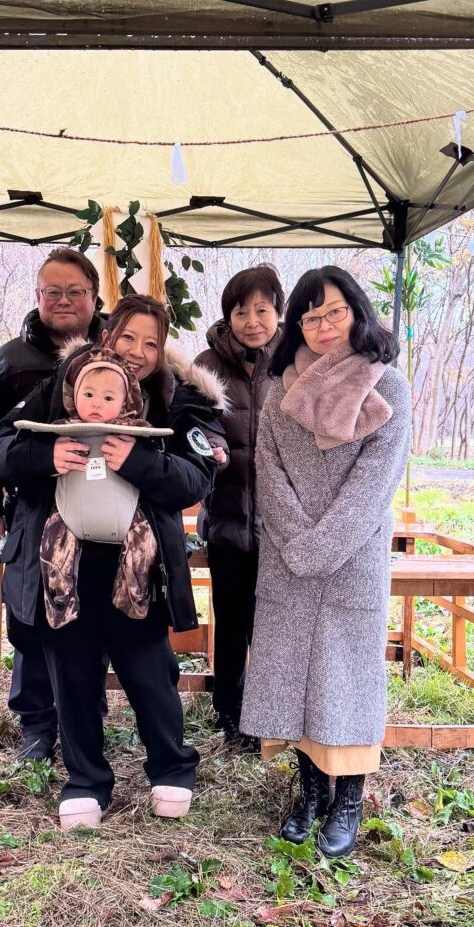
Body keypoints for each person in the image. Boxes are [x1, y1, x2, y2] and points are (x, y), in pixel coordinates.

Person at [0, 294, 226, 830]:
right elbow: (1, 447)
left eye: (151, 343)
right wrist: (43, 457)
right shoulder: (64, 384)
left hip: (139, 570)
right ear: (106, 336)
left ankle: (171, 768)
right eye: (127, 337)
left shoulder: (177, 399)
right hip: (63, 569)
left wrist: (140, 462)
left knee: (150, 673)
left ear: (163, 352)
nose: (137, 351)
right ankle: (85, 781)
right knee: (71, 674)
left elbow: (197, 478)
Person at [240, 266, 410, 858]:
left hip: (353, 556)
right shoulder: (278, 389)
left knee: (347, 676)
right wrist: (297, 543)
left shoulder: (387, 385)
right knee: (295, 677)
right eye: (311, 317)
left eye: (334, 312)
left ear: (357, 312)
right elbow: (268, 474)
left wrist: (319, 547)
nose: (323, 326)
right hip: (287, 557)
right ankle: (310, 794)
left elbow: (375, 485)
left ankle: (349, 800)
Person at [0, 247, 106, 762]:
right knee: (30, 618)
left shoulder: (115, 353)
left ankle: (85, 717)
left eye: (75, 291)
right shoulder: (9, 361)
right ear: (37, 297)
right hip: (32, 509)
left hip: (99, 513)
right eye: (53, 292)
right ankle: (36, 723)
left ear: (95, 298)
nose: (64, 300)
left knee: (90, 615)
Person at [194, 265, 284, 749]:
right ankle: (229, 711)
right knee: (229, 620)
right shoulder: (207, 363)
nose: (252, 321)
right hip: (227, 516)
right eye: (241, 311)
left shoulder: (294, 361)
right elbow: (195, 421)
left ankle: (268, 713)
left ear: (278, 313)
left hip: (280, 524)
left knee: (271, 623)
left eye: (262, 310)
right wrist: (211, 446)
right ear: (228, 316)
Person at [35, 345, 165, 629]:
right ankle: (61, 605)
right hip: (70, 511)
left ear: (125, 401)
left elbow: (163, 453)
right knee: (52, 545)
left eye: (108, 398)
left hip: (126, 514)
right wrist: (46, 454)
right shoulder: (60, 430)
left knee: (144, 547)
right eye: (89, 395)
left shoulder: (137, 431)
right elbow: (28, 444)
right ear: (74, 395)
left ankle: (131, 598)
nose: (96, 404)